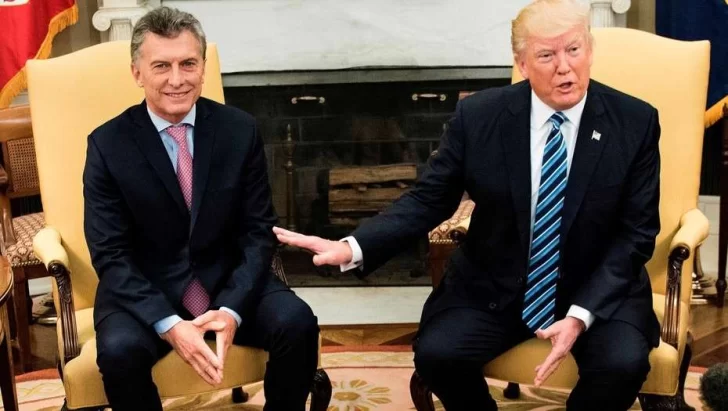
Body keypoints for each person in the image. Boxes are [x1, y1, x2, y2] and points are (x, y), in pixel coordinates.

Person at [274, 0, 661, 409]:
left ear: (590, 50)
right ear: (522, 63)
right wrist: (353, 247)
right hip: (497, 285)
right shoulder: (479, 117)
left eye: (574, 50)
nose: (564, 67)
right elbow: (428, 199)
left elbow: (636, 235)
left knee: (622, 364)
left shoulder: (634, 122)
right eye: (547, 55)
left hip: (597, 288)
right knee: (438, 355)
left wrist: (581, 315)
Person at [83, 7, 319, 411]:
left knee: (297, 322)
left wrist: (231, 309)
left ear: (204, 68)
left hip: (228, 281)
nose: (177, 79)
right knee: (120, 352)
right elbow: (110, 253)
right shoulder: (107, 145)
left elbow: (258, 230)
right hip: (145, 291)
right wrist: (169, 324)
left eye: (188, 64)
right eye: (161, 66)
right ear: (137, 73)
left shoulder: (239, 130)